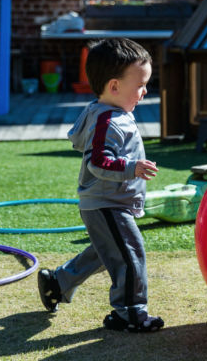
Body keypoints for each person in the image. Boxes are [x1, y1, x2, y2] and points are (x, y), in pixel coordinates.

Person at [37, 38, 163, 333]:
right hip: (106, 203)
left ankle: (58, 282)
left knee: (106, 251)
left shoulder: (112, 112)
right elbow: (98, 162)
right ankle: (129, 312)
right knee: (130, 253)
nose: (145, 92)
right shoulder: (107, 120)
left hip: (110, 201)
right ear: (115, 86)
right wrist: (132, 167)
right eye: (140, 85)